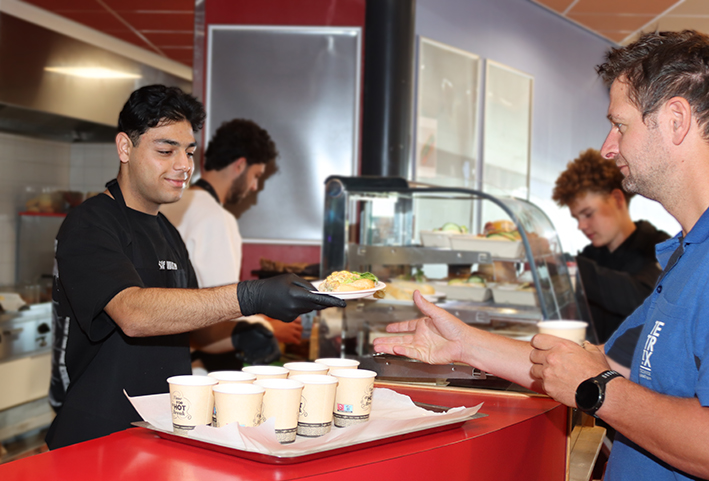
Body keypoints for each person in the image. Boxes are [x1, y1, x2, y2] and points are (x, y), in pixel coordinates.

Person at [374, 30, 709, 480]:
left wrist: (599, 390)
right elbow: (609, 363)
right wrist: (465, 344)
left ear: (675, 119)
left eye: (620, 125)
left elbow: (600, 381)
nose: (610, 147)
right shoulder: (687, 252)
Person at [46, 85, 344, 450]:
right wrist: (250, 296)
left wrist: (251, 334)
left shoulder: (167, 231)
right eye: (165, 150)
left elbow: (194, 332)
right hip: (98, 437)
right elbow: (133, 313)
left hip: (160, 431)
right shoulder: (91, 224)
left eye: (188, 152)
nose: (184, 165)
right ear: (125, 147)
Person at [161, 118, 303, 370]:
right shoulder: (216, 217)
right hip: (194, 367)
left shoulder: (173, 203)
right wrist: (268, 327)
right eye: (256, 175)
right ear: (240, 165)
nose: (254, 187)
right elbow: (216, 314)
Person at [552, 148, 669, 346]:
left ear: (616, 199)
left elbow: (640, 298)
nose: (581, 226)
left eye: (588, 214)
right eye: (576, 218)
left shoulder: (659, 247)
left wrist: (565, 263)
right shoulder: (591, 255)